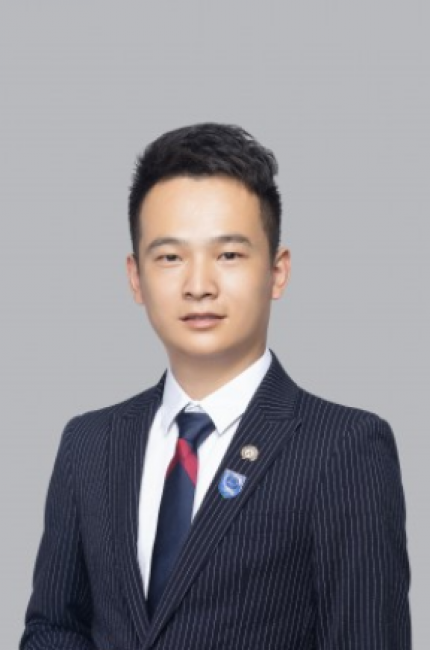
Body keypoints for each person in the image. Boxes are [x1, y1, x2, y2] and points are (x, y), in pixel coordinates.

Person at [20, 123, 411, 650]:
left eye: (228, 255)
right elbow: (52, 628)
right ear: (136, 278)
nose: (199, 285)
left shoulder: (343, 447)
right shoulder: (89, 444)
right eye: (170, 257)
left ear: (277, 272)